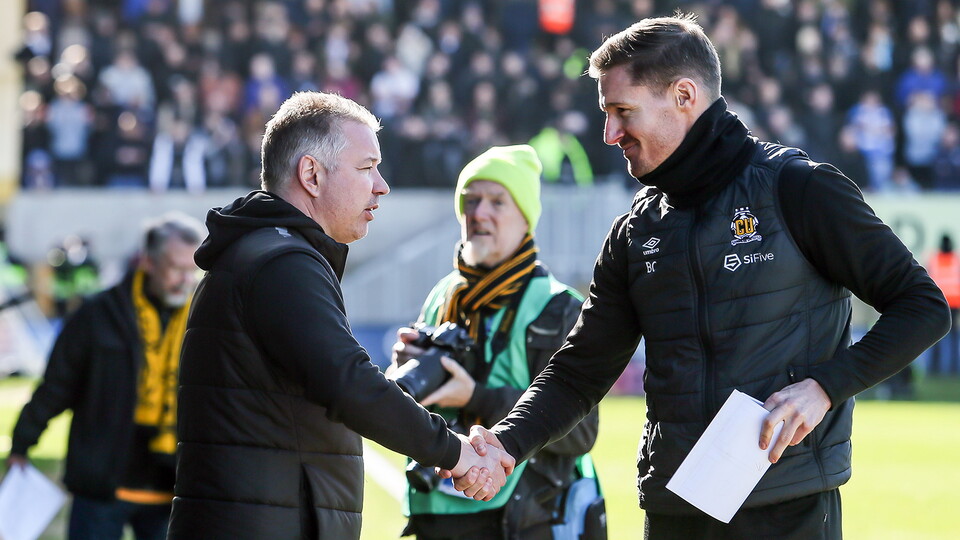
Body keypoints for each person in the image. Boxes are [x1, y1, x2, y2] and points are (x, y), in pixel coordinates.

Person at [461, 14, 951, 539]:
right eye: (606, 114)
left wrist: (825, 388)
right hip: (676, 508)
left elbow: (922, 305)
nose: (609, 133)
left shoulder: (797, 187)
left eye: (622, 111)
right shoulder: (634, 231)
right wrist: (505, 444)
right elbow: (580, 370)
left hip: (787, 506)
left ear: (684, 95)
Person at [166, 91, 512, 540]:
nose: (382, 185)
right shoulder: (281, 262)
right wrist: (455, 452)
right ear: (310, 173)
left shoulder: (264, 253)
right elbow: (346, 383)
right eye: (367, 168)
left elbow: (308, 395)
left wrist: (400, 384)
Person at [390, 145, 601, 539]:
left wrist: (475, 397)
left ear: (526, 217)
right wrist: (405, 370)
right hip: (437, 511)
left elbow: (581, 433)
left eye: (497, 202)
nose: (479, 213)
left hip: (521, 521)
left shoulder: (557, 308)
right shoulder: (443, 295)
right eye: (470, 201)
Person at [7, 212, 205, 540]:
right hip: (102, 485)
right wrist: (22, 442)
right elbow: (57, 386)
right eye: (176, 268)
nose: (185, 280)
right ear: (148, 262)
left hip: (173, 487)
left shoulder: (203, 320)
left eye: (192, 270)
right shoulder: (97, 315)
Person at [927, 234, 960, 375]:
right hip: (954, 304)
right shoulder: (956, 260)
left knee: (935, 337)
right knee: (953, 340)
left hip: (938, 303)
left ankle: (933, 370)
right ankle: (952, 370)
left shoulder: (934, 260)